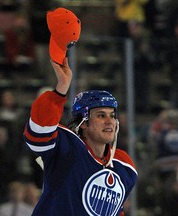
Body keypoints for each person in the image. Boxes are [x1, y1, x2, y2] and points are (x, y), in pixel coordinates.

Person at [23, 7, 138, 215]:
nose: (109, 121)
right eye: (101, 115)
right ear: (83, 122)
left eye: (112, 115)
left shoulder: (125, 167)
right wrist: (61, 89)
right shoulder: (66, 147)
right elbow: (37, 133)